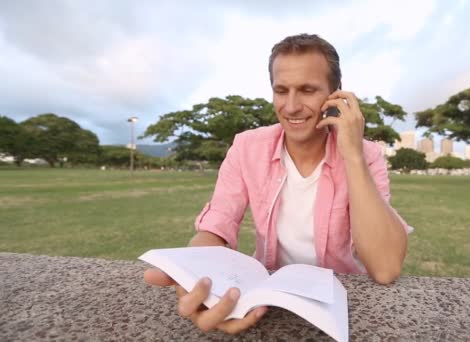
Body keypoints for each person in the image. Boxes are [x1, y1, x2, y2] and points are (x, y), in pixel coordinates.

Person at [144, 33, 411, 335]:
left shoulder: (367, 154)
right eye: (281, 91)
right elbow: (216, 227)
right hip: (266, 301)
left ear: (335, 95)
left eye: (308, 90)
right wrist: (196, 275)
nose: (292, 106)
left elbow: (386, 267)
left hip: (339, 301)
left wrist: (352, 155)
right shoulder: (247, 147)